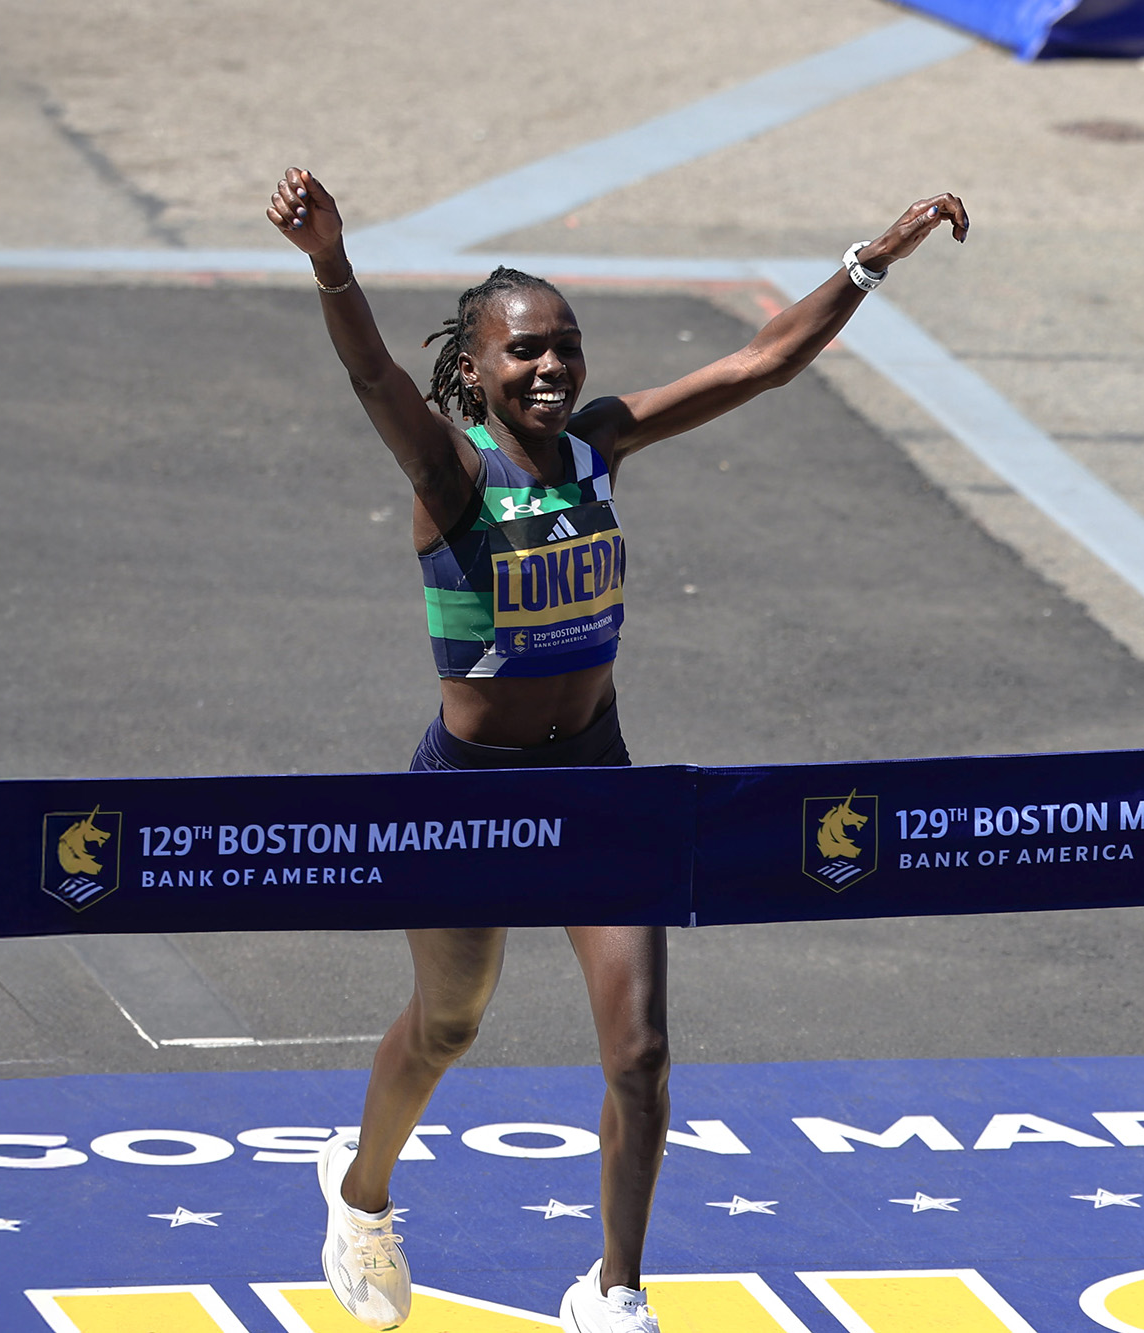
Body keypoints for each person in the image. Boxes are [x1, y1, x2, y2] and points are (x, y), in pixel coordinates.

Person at [265, 166, 967, 1333]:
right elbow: (372, 375)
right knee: (447, 1026)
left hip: (598, 782)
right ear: (473, 369)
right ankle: (359, 1194)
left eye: (567, 347)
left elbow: (760, 362)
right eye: (524, 351)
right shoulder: (451, 472)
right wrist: (330, 260)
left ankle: (614, 1290)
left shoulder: (600, 445)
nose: (551, 367)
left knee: (639, 1053)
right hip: (470, 799)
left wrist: (869, 262)